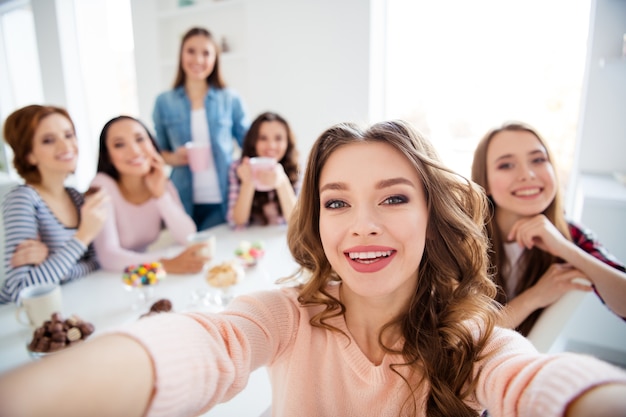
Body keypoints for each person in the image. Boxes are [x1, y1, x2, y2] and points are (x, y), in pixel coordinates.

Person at [1, 120, 626, 417]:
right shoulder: (286, 315)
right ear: (317, 221)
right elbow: (204, 344)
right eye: (336, 202)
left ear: (433, 216)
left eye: (393, 197)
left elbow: (532, 381)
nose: (362, 224)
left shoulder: (471, 341)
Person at [471, 122, 626, 335]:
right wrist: (534, 297)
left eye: (538, 160)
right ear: (484, 182)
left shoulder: (571, 235)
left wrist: (566, 249)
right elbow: (463, 336)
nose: (528, 175)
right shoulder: (463, 234)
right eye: (506, 165)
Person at [0, 105, 107, 304]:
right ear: (28, 155)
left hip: (77, 305)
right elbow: (19, 292)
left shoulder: (75, 197)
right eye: (48, 140)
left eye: (68, 135)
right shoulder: (24, 199)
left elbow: (96, 263)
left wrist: (53, 266)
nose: (66, 146)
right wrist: (83, 236)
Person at [153, 26, 249, 231]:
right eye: (191, 51)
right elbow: (157, 153)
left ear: (215, 59)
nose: (198, 60)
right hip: (182, 199)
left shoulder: (230, 99)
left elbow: (249, 145)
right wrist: (174, 158)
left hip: (223, 198)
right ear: (181, 55)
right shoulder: (164, 102)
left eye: (206, 53)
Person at [90, 115, 208, 274]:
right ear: (108, 155)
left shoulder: (160, 181)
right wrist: (165, 263)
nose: (135, 150)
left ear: (152, 144)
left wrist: (160, 195)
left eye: (140, 139)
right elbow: (109, 257)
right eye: (119, 145)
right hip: (107, 277)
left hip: (142, 275)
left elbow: (187, 236)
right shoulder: (101, 185)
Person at [227, 111, 300, 227]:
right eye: (263, 138)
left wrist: (282, 183)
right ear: (253, 141)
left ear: (287, 142)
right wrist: (248, 182)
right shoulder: (238, 168)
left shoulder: (296, 168)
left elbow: (297, 222)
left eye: (278, 138)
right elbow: (238, 221)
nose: (271, 145)